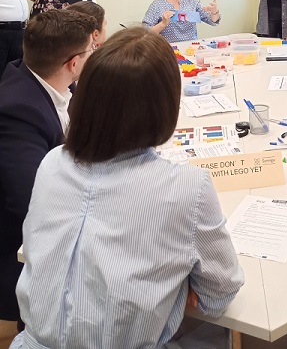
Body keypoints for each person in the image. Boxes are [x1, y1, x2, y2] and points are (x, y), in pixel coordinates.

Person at [11, 28, 244, 349]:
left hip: (28, 343)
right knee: (212, 334)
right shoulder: (188, 187)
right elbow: (219, 296)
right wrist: (179, 284)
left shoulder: (53, 162)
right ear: (166, 106)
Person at [0, 10, 96, 332]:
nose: (94, 55)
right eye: (91, 50)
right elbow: (31, 201)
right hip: (19, 249)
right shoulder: (18, 110)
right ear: (73, 63)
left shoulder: (48, 81)